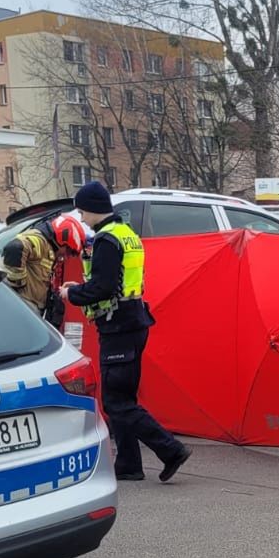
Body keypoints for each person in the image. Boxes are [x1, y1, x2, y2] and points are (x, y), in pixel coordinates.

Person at [58, 182, 190, 483]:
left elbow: (101, 287)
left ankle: (171, 450)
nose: (80, 217)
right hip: (133, 321)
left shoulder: (106, 240)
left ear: (92, 209)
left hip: (118, 326)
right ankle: (129, 464)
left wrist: (72, 293)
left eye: (81, 211)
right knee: (123, 398)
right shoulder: (127, 234)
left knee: (117, 402)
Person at [3, 213, 84, 327]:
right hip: (23, 310)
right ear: (63, 239)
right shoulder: (39, 241)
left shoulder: (48, 247)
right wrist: (18, 283)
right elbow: (15, 248)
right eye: (68, 251)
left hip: (29, 310)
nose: (66, 256)